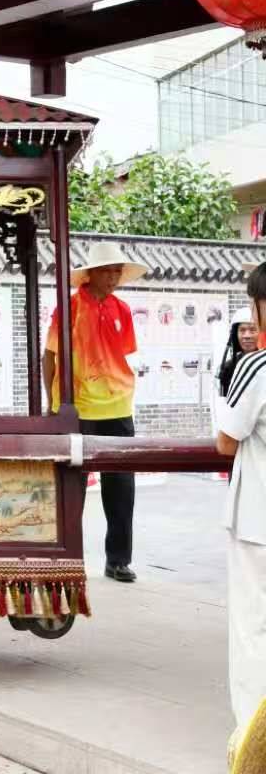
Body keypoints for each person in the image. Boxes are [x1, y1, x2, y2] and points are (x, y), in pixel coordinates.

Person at [43, 239, 146, 584]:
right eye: (108, 271)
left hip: (117, 405)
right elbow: (50, 356)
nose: (114, 277)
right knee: (71, 486)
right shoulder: (69, 308)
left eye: (118, 271)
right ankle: (65, 560)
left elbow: (122, 354)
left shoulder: (123, 309)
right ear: (92, 273)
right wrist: (52, 405)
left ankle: (118, 560)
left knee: (121, 488)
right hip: (79, 407)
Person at [219, 266, 266, 770]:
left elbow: (226, 440)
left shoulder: (256, 367)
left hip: (258, 519)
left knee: (252, 629)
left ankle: (253, 744)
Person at [219, 314, 261, 398]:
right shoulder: (228, 367)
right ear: (235, 335)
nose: (247, 336)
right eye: (242, 330)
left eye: (253, 330)